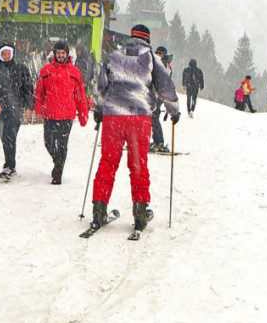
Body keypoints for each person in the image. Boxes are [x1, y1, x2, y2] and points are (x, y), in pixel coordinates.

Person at [90, 24, 180, 235]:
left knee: (108, 162)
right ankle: (140, 213)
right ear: (147, 40)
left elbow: (101, 85)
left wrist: (99, 108)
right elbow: (166, 86)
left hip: (113, 116)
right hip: (138, 117)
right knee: (138, 164)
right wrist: (173, 110)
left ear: (130, 38)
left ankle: (99, 209)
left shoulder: (113, 56)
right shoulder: (150, 57)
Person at [34, 40, 89, 185]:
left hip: (67, 115)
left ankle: (57, 173)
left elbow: (80, 95)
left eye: (63, 53)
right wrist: (38, 110)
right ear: (54, 54)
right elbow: (39, 92)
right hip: (50, 114)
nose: (60, 55)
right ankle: (57, 161)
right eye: (58, 53)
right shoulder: (46, 70)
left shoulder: (75, 72)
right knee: (49, 143)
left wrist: (83, 114)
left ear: (67, 54)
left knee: (62, 145)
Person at [0, 42, 34, 180]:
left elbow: (28, 89)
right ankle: (10, 163)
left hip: (15, 109)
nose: (6, 56)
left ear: (12, 54)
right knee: (5, 137)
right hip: (0, 110)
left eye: (8, 53)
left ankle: (9, 165)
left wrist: (29, 107)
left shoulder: (21, 69)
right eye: (3, 54)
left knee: (9, 136)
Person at [149, 46, 171, 153]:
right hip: (155, 93)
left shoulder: (164, 64)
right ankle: (157, 140)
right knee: (153, 117)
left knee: (155, 116)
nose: (158, 54)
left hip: (159, 95)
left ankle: (160, 141)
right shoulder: (158, 62)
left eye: (160, 53)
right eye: (156, 52)